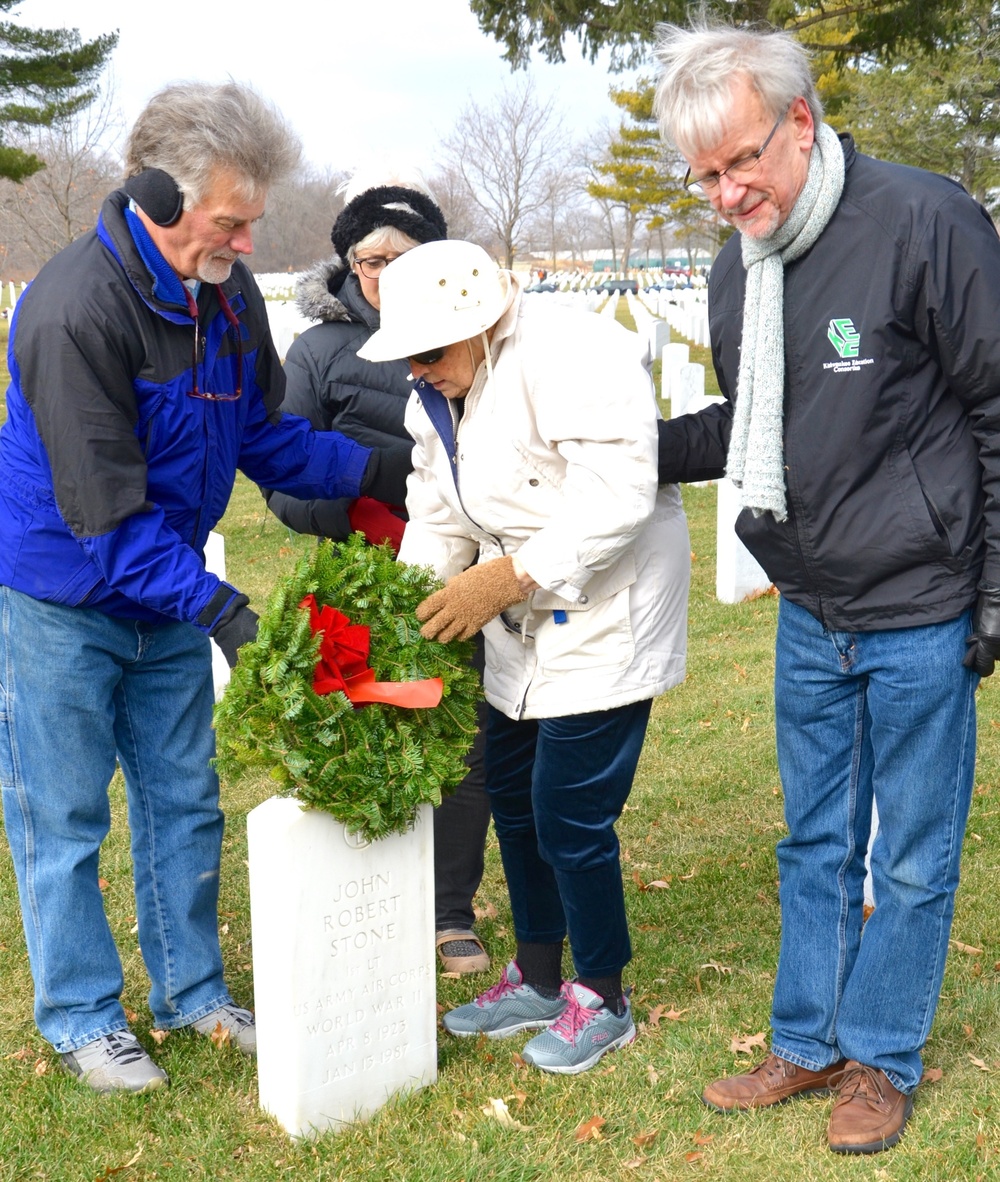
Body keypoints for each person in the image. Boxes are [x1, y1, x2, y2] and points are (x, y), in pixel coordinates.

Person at [0, 82, 409, 1095]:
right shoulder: (72, 311)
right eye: (231, 218)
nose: (246, 235)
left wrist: (371, 469)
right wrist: (223, 609)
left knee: (184, 798)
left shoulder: (226, 294)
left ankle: (193, 995)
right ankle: (86, 1017)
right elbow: (103, 516)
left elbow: (261, 434)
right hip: (64, 596)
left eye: (253, 217)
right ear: (155, 195)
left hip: (165, 591)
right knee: (64, 817)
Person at [653, 21, 1000, 1155]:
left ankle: (880, 1059)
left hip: (917, 600)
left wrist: (992, 586)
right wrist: (621, 448)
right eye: (703, 175)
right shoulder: (731, 270)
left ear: (799, 121)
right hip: (808, 607)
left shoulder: (922, 220)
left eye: (741, 160)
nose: (725, 193)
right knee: (812, 841)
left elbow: (995, 410)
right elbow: (757, 421)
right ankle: (803, 1042)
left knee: (907, 851)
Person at [359, 239, 690, 1074]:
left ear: (482, 321)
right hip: (511, 622)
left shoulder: (575, 352)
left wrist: (508, 575)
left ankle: (603, 992)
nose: (418, 370)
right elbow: (435, 516)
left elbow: (617, 494)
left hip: (604, 609)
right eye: (406, 356)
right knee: (512, 797)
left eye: (428, 352)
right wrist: (401, 611)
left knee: (569, 813)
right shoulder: (434, 397)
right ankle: (540, 975)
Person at [264, 174, 493, 975]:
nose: (381, 273)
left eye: (401, 258)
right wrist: (360, 509)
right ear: (347, 262)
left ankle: (448, 913)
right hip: (363, 567)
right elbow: (283, 480)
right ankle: (363, 895)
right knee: (365, 732)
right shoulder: (317, 350)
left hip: (459, 567)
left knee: (459, 736)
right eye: (368, 260)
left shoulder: (470, 336)